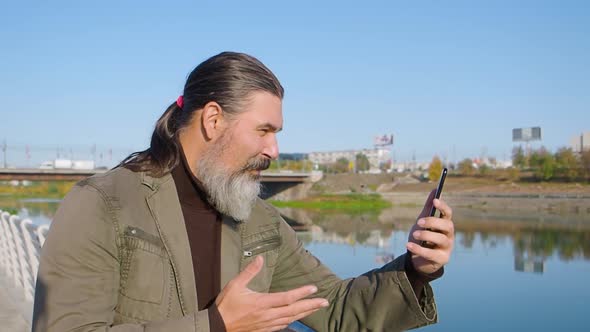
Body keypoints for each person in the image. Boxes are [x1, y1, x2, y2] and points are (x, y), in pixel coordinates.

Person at [32, 52, 455, 332]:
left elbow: (339, 307)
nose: (274, 149)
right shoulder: (103, 204)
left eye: (277, 133)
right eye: (264, 130)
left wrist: (416, 270)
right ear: (213, 120)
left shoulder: (261, 220)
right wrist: (215, 324)